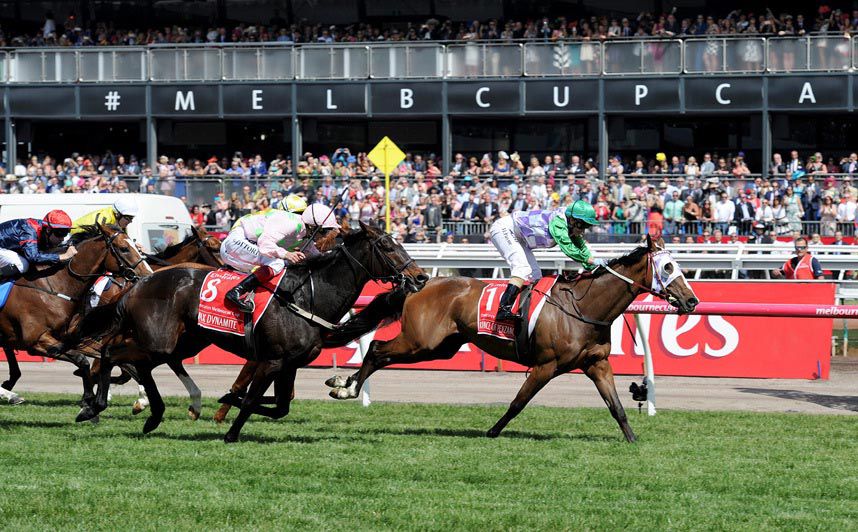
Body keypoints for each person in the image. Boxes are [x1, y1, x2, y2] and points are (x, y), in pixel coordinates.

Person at [489, 200, 605, 321]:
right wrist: (590, 260)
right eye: (582, 225)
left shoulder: (571, 225)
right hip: (505, 229)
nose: (583, 230)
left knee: (535, 275)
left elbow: (581, 247)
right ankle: (503, 310)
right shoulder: (559, 223)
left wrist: (593, 266)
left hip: (520, 237)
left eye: (587, 226)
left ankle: (527, 314)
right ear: (572, 220)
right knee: (522, 268)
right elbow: (569, 249)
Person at [222, 203, 339, 312]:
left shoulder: (305, 234)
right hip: (236, 242)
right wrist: (287, 254)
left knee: (280, 263)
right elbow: (264, 244)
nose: (326, 236)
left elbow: (316, 255)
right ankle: (236, 292)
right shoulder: (292, 224)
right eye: (325, 232)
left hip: (249, 244)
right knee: (278, 263)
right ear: (313, 227)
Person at [0, 210, 78, 280]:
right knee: (22, 264)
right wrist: (63, 256)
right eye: (60, 233)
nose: (62, 239)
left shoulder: (44, 229)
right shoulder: (29, 231)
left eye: (66, 233)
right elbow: (33, 257)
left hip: (5, 247)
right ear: (48, 230)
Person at [71, 197, 140, 237]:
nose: (130, 221)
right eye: (128, 218)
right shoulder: (104, 218)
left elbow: (124, 238)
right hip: (72, 234)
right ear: (117, 214)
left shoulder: (119, 219)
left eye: (132, 218)